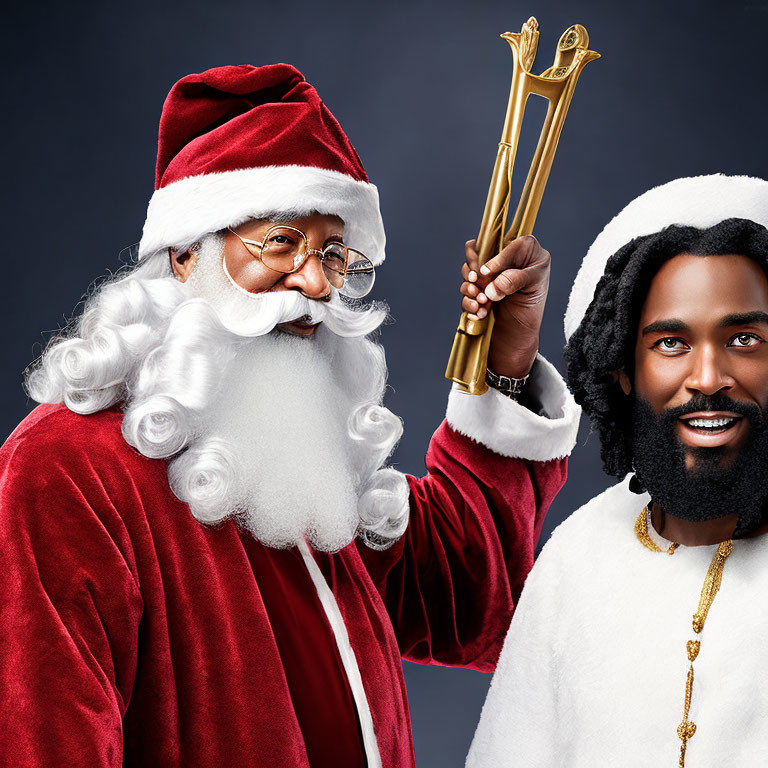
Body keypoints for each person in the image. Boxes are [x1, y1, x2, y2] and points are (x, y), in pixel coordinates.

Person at [0, 64, 580, 767]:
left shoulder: (304, 466)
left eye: (333, 254)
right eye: (281, 244)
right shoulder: (68, 466)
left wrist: (507, 357)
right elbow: (43, 740)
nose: (314, 283)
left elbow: (466, 596)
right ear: (186, 256)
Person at [466, 174, 768, 768]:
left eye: (744, 338)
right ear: (622, 372)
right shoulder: (577, 556)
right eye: (672, 344)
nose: (708, 376)